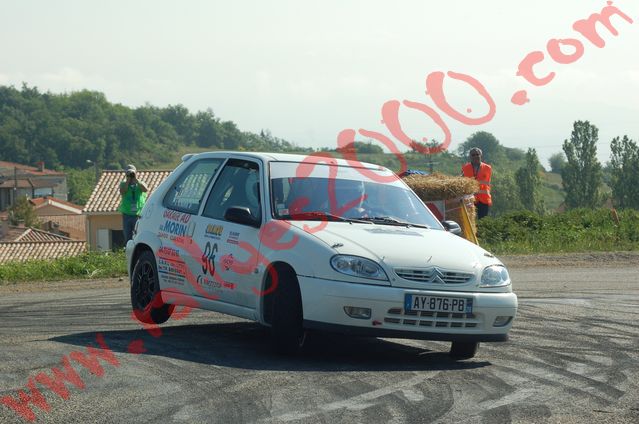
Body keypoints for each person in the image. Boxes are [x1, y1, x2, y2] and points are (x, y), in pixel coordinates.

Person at [119, 164, 148, 242]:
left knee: (138, 235)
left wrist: (136, 180)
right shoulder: (123, 184)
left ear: (136, 172)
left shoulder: (140, 183)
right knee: (127, 236)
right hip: (127, 214)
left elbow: (145, 189)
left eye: (132, 173)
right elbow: (122, 191)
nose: (130, 175)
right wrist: (128, 181)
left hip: (138, 214)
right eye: (128, 173)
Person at [461, 147, 492, 219]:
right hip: (469, 198)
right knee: (470, 220)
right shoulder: (465, 168)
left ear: (481, 155)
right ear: (470, 156)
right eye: (473, 155)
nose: (475, 156)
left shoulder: (487, 168)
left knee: (483, 220)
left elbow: (486, 182)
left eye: (477, 154)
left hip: (483, 199)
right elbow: (461, 181)